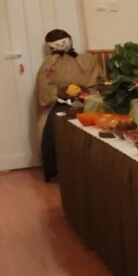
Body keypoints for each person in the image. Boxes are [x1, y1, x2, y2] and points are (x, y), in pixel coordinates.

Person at [37, 29, 100, 181]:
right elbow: (44, 85)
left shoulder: (87, 58)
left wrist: (86, 93)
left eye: (64, 42)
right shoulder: (48, 64)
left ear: (70, 40)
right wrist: (59, 95)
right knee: (53, 125)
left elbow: (96, 78)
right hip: (60, 102)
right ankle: (56, 170)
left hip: (87, 99)